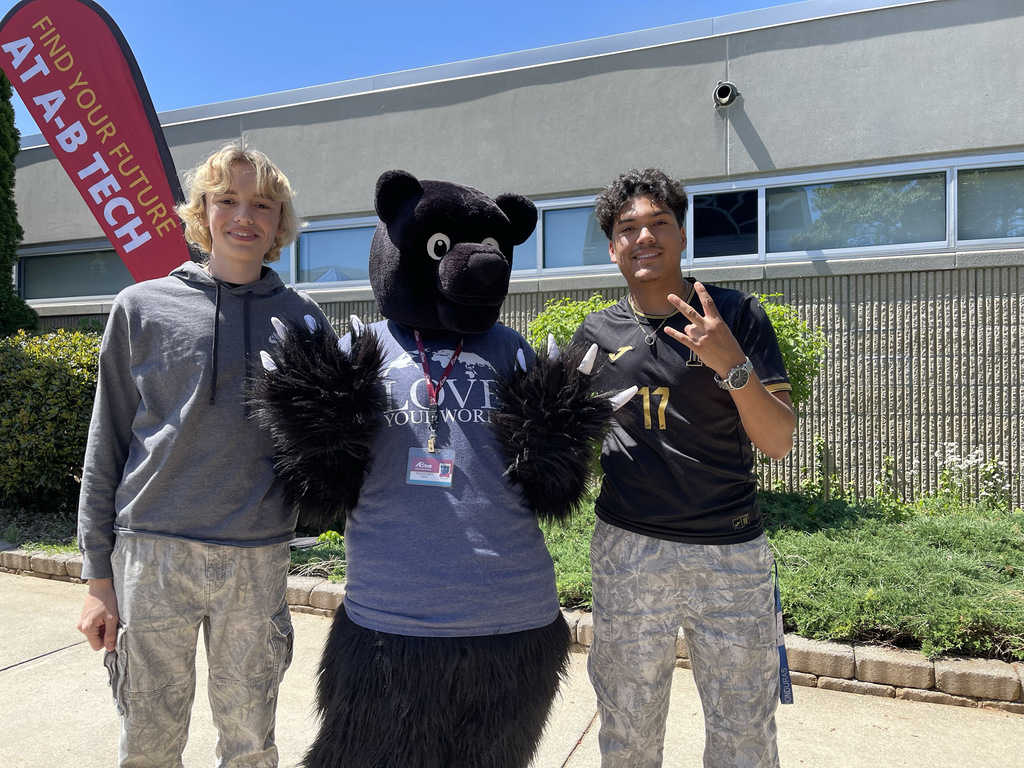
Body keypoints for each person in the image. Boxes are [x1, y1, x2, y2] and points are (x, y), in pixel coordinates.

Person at [76, 141, 329, 768]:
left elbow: (324, 448)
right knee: (149, 741)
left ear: (279, 223)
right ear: (201, 212)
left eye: (262, 204)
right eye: (228, 200)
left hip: (257, 556)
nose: (245, 216)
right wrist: (97, 579)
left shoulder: (305, 320)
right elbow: (104, 446)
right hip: (151, 554)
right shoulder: (141, 308)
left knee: (250, 742)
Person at [572, 167, 796, 768]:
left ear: (681, 235)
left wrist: (731, 364)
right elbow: (562, 442)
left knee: (744, 736)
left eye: (659, 224)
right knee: (628, 732)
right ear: (613, 246)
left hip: (730, 554)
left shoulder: (733, 314)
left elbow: (777, 440)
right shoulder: (596, 333)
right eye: (628, 229)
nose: (644, 238)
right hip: (628, 552)